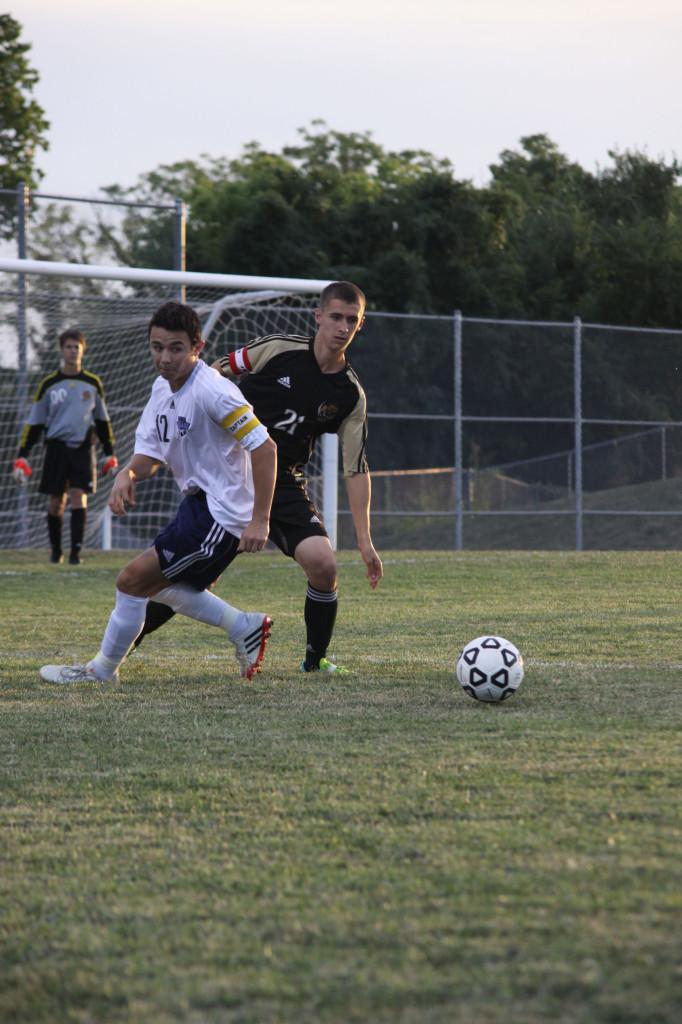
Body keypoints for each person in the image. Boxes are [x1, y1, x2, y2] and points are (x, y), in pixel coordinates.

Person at [137, 280, 383, 674]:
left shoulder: (350, 394)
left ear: (360, 324)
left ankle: (314, 662)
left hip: (283, 481)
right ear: (318, 317)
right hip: (231, 474)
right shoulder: (278, 349)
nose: (342, 326)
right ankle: (119, 650)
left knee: (324, 565)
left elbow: (356, 468)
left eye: (351, 320)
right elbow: (212, 373)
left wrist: (365, 541)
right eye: (335, 317)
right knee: (187, 579)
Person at [40, 300, 277, 685]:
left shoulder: (213, 391)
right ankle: (243, 625)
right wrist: (126, 474)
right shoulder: (161, 387)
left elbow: (265, 448)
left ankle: (100, 672)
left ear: (197, 347)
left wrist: (260, 520)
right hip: (197, 507)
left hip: (222, 514)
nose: (164, 358)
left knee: (132, 581)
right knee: (158, 587)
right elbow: (151, 455)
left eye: (176, 348)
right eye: (157, 347)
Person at [12, 327, 118, 565]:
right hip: (56, 449)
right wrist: (23, 455)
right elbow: (35, 421)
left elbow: (103, 421)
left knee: (80, 497)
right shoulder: (49, 384)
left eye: (76, 347)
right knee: (56, 500)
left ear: (83, 351)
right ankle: (56, 550)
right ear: (62, 351)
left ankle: (75, 554)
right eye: (68, 347)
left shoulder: (93, 383)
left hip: (82, 449)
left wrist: (110, 453)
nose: (72, 351)